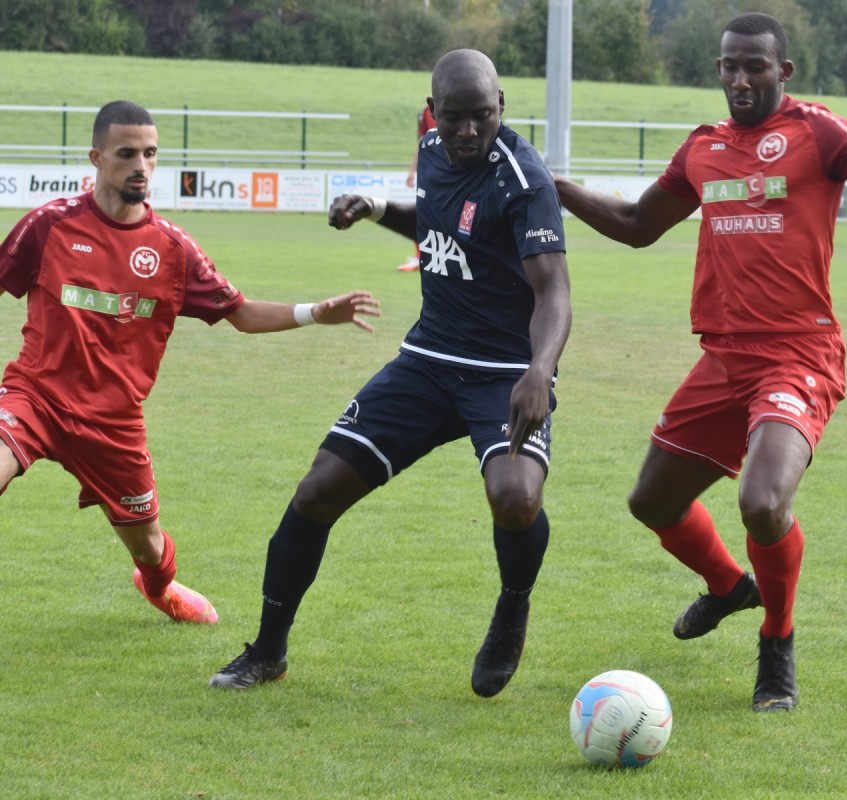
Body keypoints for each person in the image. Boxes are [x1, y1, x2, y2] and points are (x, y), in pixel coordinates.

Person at [554, 13, 847, 712]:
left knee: (763, 502)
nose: (740, 79)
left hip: (799, 353)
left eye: (756, 67)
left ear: (784, 71)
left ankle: (777, 640)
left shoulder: (819, 131)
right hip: (724, 357)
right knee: (650, 502)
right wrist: (558, 188)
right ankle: (727, 587)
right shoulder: (703, 148)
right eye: (729, 66)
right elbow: (636, 226)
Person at [210, 49, 572, 697]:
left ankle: (512, 606)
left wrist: (539, 370)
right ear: (434, 111)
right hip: (429, 360)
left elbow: (554, 293)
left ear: (502, 108)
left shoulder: (524, 179)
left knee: (515, 499)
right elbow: (438, 220)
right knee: (317, 490)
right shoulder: (434, 149)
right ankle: (266, 651)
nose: (467, 131)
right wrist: (375, 208)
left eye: (481, 117)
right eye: (454, 117)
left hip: (503, 372)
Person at [0, 100, 381, 626]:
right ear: (96, 157)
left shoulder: (173, 249)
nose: (141, 165)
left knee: (150, 548)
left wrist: (315, 313)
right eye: (127, 153)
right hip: (35, 397)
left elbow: (241, 314)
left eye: (150, 153)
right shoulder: (48, 226)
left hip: (114, 424)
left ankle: (161, 588)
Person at [399, 105, 439, 272]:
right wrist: (412, 171)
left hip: (450, 171)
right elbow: (422, 142)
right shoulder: (427, 110)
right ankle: (421, 256)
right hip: (430, 170)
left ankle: (426, 256)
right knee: (423, 214)